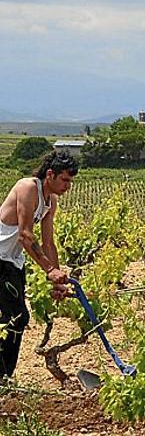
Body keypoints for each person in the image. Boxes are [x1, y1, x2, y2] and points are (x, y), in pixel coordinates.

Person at [0, 151, 78, 378]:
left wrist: (58, 280)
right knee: (16, 318)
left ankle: (4, 379)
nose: (68, 186)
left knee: (13, 319)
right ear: (50, 174)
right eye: (65, 180)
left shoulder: (49, 202)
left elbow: (48, 243)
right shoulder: (27, 188)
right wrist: (50, 270)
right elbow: (25, 235)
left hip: (12, 262)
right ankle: (4, 379)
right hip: (1, 260)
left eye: (70, 181)